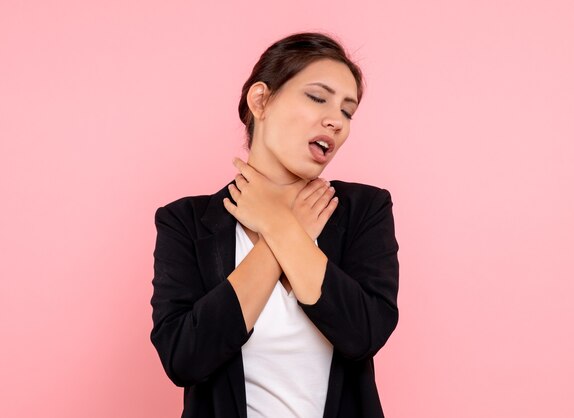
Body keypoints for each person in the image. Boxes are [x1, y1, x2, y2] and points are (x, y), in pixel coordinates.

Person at [150, 32, 400, 418]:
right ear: (261, 100)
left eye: (348, 111)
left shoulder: (365, 210)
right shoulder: (185, 222)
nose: (336, 121)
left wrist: (278, 225)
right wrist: (279, 237)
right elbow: (185, 359)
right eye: (318, 97)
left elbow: (364, 334)